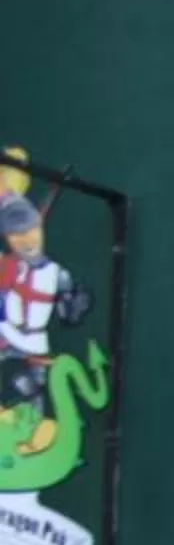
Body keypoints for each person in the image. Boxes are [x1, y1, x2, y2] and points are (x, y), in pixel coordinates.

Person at [0, 190, 69, 459]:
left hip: (33, 341)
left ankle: (36, 436)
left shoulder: (56, 273)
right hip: (7, 334)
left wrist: (71, 304)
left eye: (29, 231)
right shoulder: (9, 267)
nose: (26, 240)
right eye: (16, 235)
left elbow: (72, 306)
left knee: (32, 388)